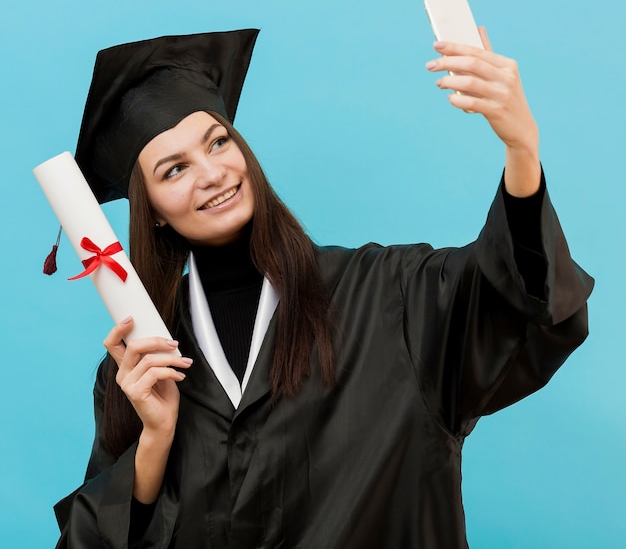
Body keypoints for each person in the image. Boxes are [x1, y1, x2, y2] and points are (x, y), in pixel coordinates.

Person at [53, 28, 593, 548]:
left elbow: (517, 298)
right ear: (153, 216)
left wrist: (522, 149)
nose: (212, 173)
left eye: (218, 142)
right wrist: (155, 438)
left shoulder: (390, 295)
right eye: (174, 170)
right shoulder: (142, 366)